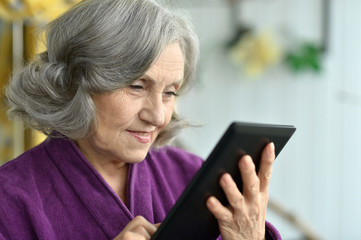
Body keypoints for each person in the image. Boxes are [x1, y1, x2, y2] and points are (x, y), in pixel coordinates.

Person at [0, 0, 281, 239]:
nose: (158, 116)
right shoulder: (9, 199)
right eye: (137, 86)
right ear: (73, 84)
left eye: (170, 92)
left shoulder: (193, 176)